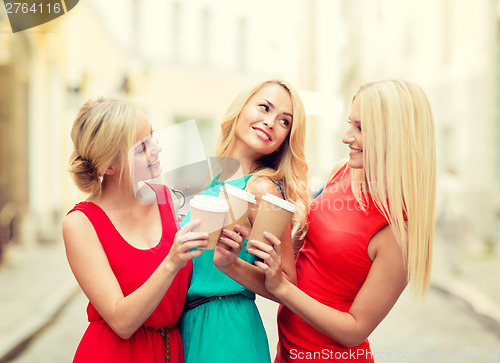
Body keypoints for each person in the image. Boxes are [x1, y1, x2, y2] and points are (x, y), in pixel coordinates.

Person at [248, 79, 436, 362]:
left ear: (394, 136)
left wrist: (282, 288)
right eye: (350, 123)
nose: (347, 136)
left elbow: (355, 330)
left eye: (360, 128)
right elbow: (311, 256)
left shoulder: (399, 231)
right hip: (287, 351)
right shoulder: (344, 171)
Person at [62, 97, 208, 363]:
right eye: (142, 147)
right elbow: (121, 321)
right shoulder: (81, 223)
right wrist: (171, 262)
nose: (157, 148)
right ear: (108, 165)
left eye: (152, 136)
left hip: (171, 350)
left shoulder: (168, 198)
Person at [180, 79, 310, 363]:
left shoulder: (261, 188)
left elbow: (285, 285)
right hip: (188, 328)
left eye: (284, 121)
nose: (270, 122)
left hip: (227, 330)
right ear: (241, 109)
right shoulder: (210, 179)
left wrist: (233, 265)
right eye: (264, 107)